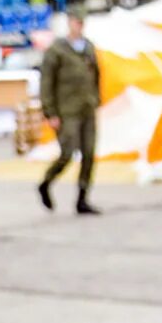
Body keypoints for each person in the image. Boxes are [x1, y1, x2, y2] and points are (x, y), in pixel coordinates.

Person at [35, 14, 102, 215]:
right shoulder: (57, 50)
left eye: (81, 22)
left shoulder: (88, 47)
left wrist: (96, 98)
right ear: (69, 23)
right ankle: (46, 182)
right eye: (75, 21)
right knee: (67, 153)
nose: (78, 26)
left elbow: (96, 75)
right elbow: (46, 83)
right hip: (67, 110)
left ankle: (83, 197)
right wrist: (50, 112)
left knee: (89, 153)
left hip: (86, 107)